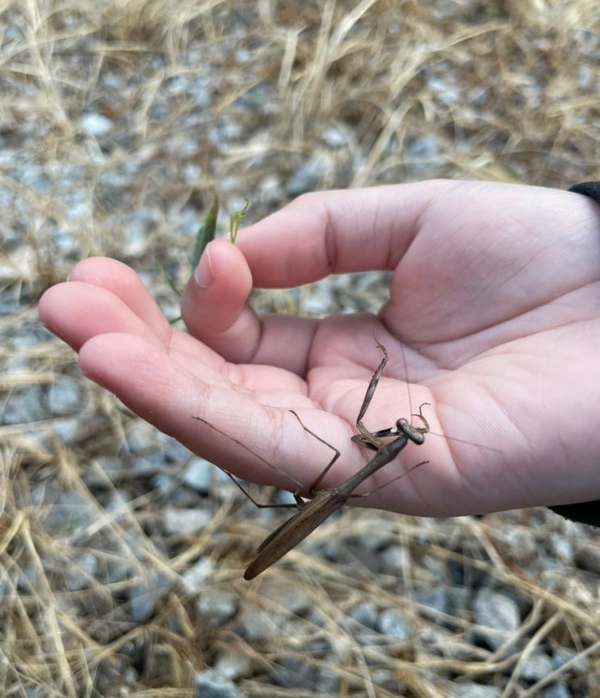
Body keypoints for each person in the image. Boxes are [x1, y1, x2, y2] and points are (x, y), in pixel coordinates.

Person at [38, 179, 600, 526]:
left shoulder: (387, 454)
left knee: (313, 471)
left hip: (331, 491)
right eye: (411, 432)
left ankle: (230, 451)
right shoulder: (398, 448)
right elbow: (390, 444)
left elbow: (375, 445)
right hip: (337, 489)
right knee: (334, 453)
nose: (409, 432)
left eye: (410, 437)